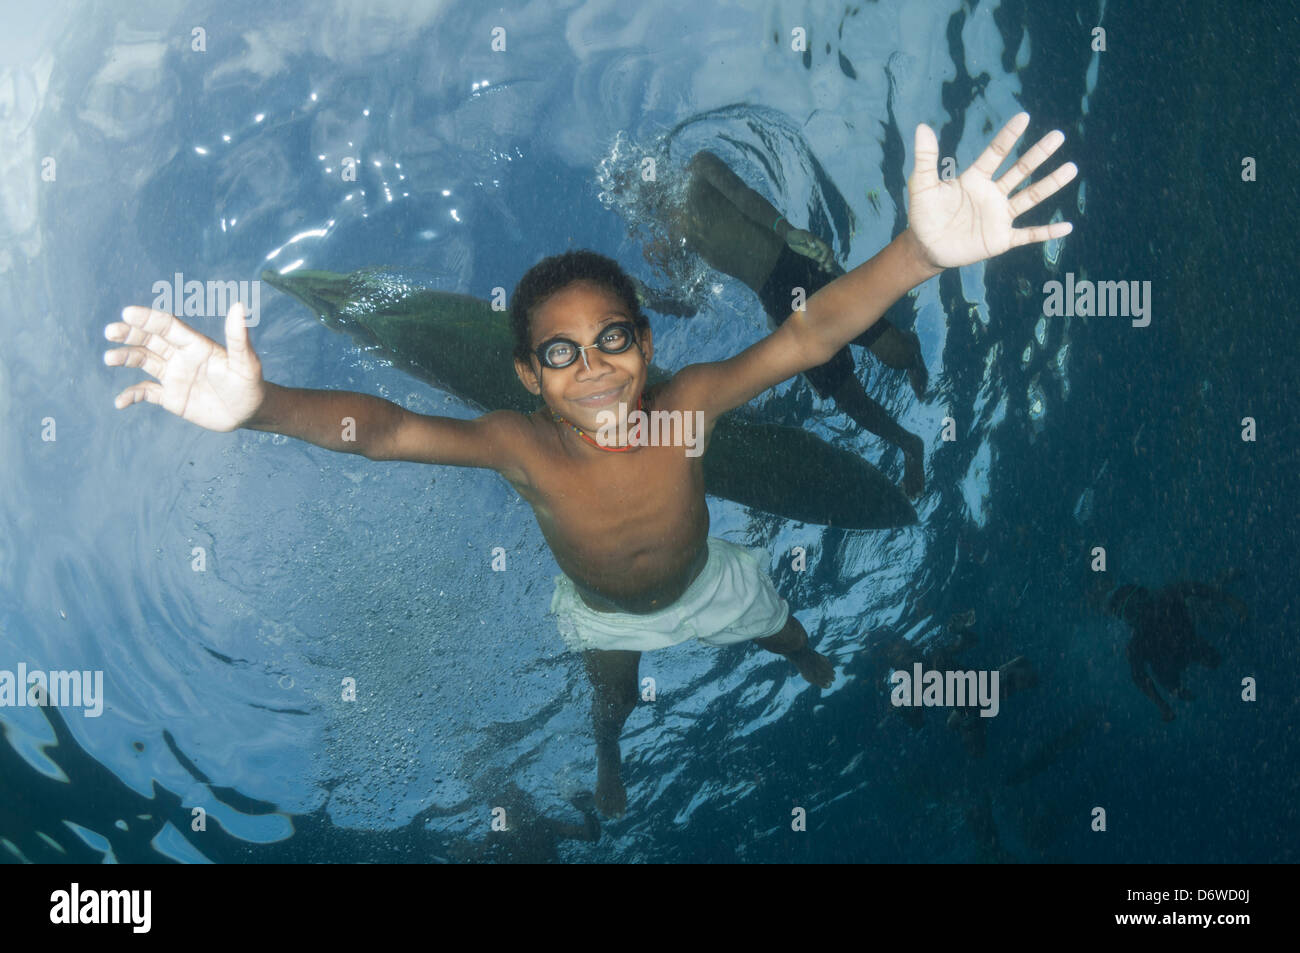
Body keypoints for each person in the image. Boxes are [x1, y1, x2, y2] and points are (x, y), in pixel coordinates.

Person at [104, 114, 1075, 816]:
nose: (596, 366)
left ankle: (814, 661)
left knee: (782, 628)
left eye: (613, 339)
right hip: (606, 606)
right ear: (528, 374)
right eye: (561, 352)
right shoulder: (518, 445)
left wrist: (916, 253)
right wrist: (263, 407)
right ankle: (610, 760)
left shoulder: (686, 404)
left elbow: (809, 330)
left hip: (706, 576)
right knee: (609, 697)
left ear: (646, 347)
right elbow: (390, 429)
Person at [623, 148, 931, 497]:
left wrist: (787, 231)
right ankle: (908, 444)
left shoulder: (699, 165)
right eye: (636, 191)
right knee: (847, 396)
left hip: (795, 261)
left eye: (641, 175)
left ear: (657, 166)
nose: (644, 187)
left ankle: (912, 352)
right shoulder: (671, 241)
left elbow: (744, 196)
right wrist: (647, 296)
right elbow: (689, 305)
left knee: (892, 351)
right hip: (775, 298)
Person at [1101, 577, 1247, 721]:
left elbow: (1197, 588)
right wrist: (1162, 704)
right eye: (1132, 612)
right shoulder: (1137, 644)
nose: (1141, 612)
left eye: (1138, 605)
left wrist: (1233, 602)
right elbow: (1140, 677)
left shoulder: (1166, 598)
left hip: (1186, 641)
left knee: (1213, 659)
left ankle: (1207, 600)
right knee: (1185, 678)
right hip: (1180, 649)